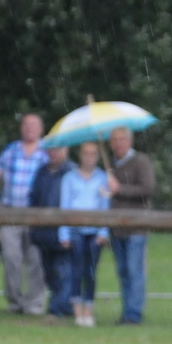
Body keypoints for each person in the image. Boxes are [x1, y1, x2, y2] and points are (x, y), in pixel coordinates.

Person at [0, 113, 49, 314]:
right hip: (10, 212)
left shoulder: (47, 152)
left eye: (34, 125)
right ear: (21, 128)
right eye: (26, 125)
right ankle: (15, 301)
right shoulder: (11, 151)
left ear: (41, 129)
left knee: (36, 259)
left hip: (37, 214)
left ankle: (34, 303)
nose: (29, 128)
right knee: (11, 258)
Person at [59, 140, 112, 326]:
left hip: (95, 231)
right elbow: (64, 207)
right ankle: (77, 310)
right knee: (75, 270)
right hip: (75, 230)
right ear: (80, 156)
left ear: (97, 157)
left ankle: (89, 309)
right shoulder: (69, 178)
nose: (89, 157)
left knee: (90, 271)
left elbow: (105, 207)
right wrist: (64, 234)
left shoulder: (104, 178)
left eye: (93, 154)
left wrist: (104, 231)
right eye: (86, 153)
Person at [108, 126, 154, 324]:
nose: (118, 143)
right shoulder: (110, 165)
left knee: (135, 270)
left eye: (122, 139)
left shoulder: (141, 161)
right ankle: (127, 310)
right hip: (116, 227)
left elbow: (148, 188)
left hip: (136, 227)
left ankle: (134, 313)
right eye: (115, 140)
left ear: (130, 141)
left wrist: (120, 189)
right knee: (123, 271)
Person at [29, 145, 77, 320]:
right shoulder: (41, 172)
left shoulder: (72, 172)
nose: (54, 153)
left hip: (64, 231)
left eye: (58, 149)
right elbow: (33, 198)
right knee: (49, 273)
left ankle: (56, 309)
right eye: (51, 149)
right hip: (42, 232)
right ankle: (65, 306)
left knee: (63, 271)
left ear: (66, 150)